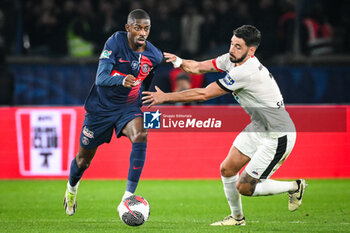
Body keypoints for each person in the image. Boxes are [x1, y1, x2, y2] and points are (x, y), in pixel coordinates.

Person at [142, 25, 306, 226]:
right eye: (232, 43)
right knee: (227, 169)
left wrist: (165, 97)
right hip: (258, 126)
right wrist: (178, 61)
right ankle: (237, 219)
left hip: (278, 134)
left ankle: (294, 186)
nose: (232, 49)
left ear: (251, 51)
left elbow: (203, 94)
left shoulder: (247, 72)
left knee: (245, 187)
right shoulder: (231, 59)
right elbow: (198, 67)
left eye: (238, 46)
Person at [63, 9, 163, 216]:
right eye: (137, 28)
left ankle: (128, 197)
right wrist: (121, 79)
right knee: (83, 161)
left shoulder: (155, 55)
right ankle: (71, 190)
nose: (142, 33)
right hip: (100, 109)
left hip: (128, 108)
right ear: (128, 28)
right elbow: (101, 78)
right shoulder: (115, 42)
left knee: (141, 134)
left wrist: (147, 97)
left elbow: (148, 79)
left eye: (146, 28)